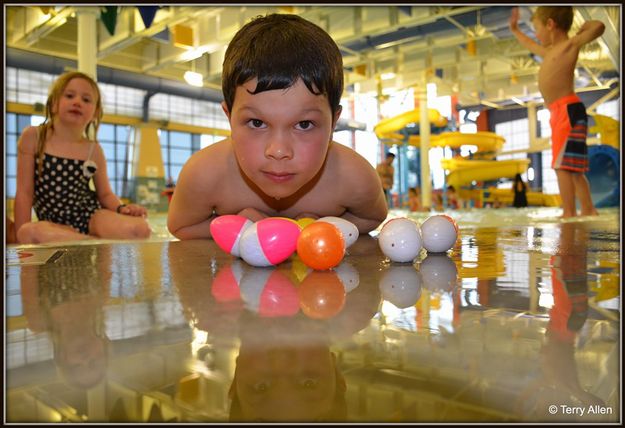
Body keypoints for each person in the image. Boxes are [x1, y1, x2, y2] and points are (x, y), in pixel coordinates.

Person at [168, 14, 387, 240]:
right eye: (257, 123)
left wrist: (325, 227)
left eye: (304, 125)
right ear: (229, 117)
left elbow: (372, 217)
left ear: (332, 123)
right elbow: (182, 226)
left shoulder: (353, 177)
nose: (279, 150)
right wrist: (238, 227)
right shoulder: (205, 174)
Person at [14, 71, 151, 244]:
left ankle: (80, 240)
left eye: (86, 100)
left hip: (90, 216)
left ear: (95, 113)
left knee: (141, 228)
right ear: (54, 103)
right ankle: (91, 242)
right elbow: (24, 193)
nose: (77, 102)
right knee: (27, 232)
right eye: (69, 96)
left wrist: (121, 208)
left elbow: (105, 194)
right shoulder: (34, 137)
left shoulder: (93, 150)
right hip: (50, 224)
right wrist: (21, 239)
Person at [509, 7, 603, 218]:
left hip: (566, 110)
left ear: (550, 25)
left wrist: (579, 31)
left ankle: (568, 211)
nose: (536, 35)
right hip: (562, 112)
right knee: (573, 167)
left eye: (537, 29)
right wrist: (515, 30)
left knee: (562, 166)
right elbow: (529, 44)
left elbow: (599, 26)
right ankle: (588, 208)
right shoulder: (549, 52)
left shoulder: (569, 45)